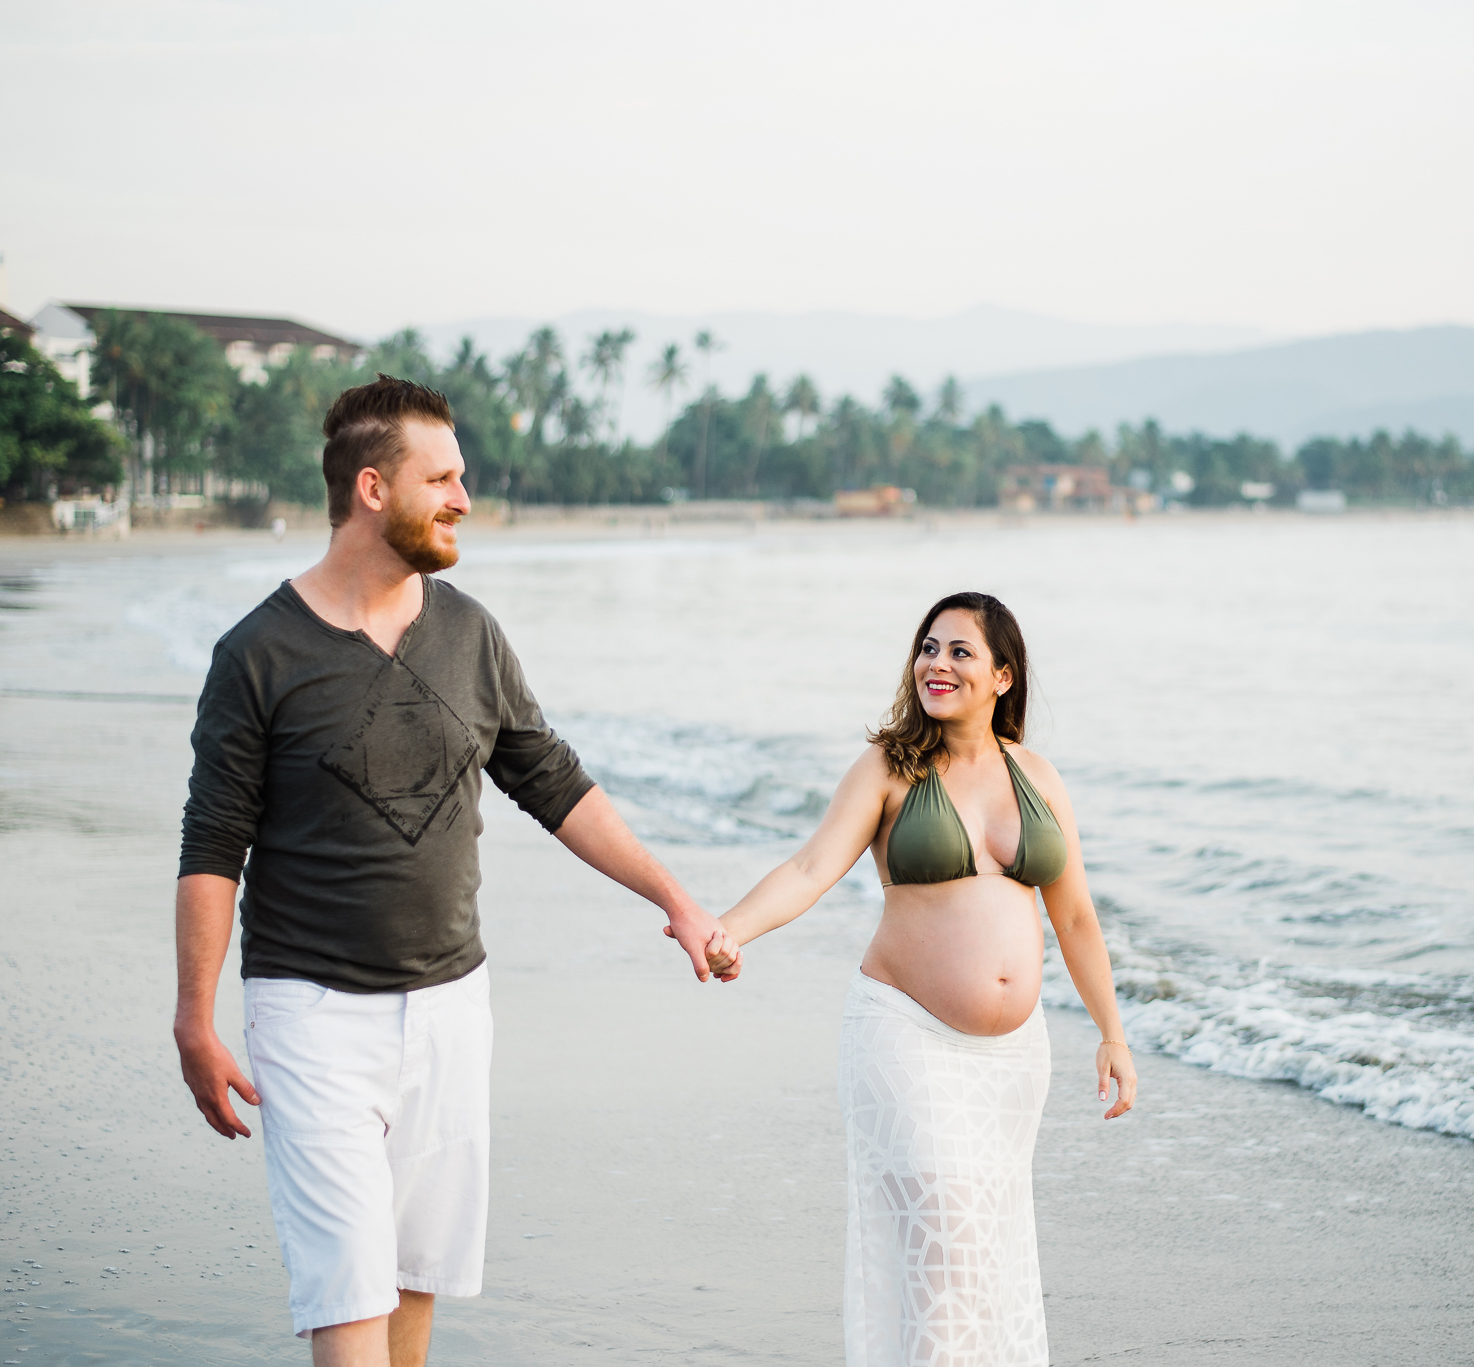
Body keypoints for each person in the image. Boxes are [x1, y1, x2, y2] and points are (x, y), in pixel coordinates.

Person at [171, 374, 737, 1367]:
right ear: (373, 488)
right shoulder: (257, 653)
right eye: (443, 476)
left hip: (450, 1006)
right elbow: (214, 843)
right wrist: (195, 1016)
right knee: (347, 1290)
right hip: (310, 1012)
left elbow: (553, 781)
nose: (464, 497)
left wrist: (677, 900)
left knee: (412, 1281)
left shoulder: (469, 630)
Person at [704, 590, 1135, 1367]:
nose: (937, 663)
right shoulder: (888, 767)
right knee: (947, 1229)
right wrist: (730, 927)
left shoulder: (1038, 776)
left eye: (960, 651)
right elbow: (809, 868)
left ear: (1003, 675)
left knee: (984, 1251)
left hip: (1012, 1064)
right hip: (905, 1037)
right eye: (928, 647)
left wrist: (1113, 1032)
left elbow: (1075, 919)